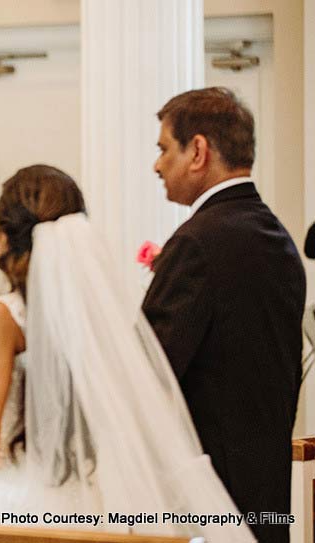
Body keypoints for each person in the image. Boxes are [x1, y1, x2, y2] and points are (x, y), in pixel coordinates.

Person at [0, 165, 254, 543]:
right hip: (95, 500)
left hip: (19, 503)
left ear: (5, 238)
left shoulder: (5, 316)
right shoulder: (101, 315)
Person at [143, 87, 305, 543]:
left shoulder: (198, 242)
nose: (156, 165)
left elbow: (151, 371)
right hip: (266, 495)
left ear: (198, 151)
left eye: (162, 149)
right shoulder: (276, 237)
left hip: (209, 502)